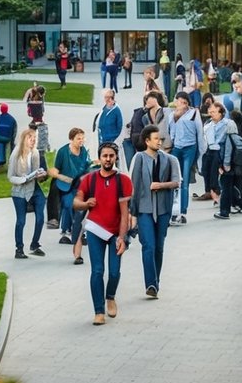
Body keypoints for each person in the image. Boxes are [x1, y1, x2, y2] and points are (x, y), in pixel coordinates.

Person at [73, 141, 132, 324]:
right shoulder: (89, 179)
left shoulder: (123, 181)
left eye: (111, 156)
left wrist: (122, 237)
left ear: (115, 158)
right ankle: (98, 311)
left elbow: (124, 214)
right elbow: (76, 203)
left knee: (114, 272)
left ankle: (111, 296)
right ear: (99, 158)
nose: (108, 159)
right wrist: (86, 204)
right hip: (95, 230)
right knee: (97, 270)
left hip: (115, 231)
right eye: (104, 156)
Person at [129, 124, 179, 298]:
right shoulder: (139, 158)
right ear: (147, 140)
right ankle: (150, 283)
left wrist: (161, 185)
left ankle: (156, 282)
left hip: (163, 209)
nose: (159, 141)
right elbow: (133, 186)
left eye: (161, 139)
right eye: (156, 138)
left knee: (159, 247)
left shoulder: (169, 159)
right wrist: (132, 213)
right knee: (148, 246)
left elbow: (176, 182)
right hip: (144, 209)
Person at [7, 128, 49, 259]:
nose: (33, 141)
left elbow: (37, 173)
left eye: (34, 138)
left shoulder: (36, 153)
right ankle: (19, 248)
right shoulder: (16, 154)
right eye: (30, 138)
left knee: (41, 218)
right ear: (24, 139)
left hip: (34, 188)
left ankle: (35, 244)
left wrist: (42, 175)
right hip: (20, 190)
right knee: (21, 221)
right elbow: (10, 177)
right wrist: (24, 179)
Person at [168, 91, 205, 225]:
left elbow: (199, 132)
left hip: (190, 148)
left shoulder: (194, 113)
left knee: (184, 181)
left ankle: (182, 212)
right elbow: (171, 131)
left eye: (184, 102)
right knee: (174, 179)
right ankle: (172, 210)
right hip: (177, 147)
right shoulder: (172, 115)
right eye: (179, 101)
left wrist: (201, 152)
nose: (181, 104)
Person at [53, 128, 92, 252]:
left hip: (79, 185)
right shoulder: (63, 152)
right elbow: (57, 170)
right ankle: (69, 232)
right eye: (78, 138)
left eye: (82, 138)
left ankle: (74, 232)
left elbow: (86, 167)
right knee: (71, 204)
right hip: (65, 186)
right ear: (71, 139)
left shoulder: (83, 151)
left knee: (81, 206)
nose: (81, 141)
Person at [217, 102, 242, 218]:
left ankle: (225, 210)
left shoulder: (229, 138)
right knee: (237, 186)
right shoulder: (238, 136)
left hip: (230, 165)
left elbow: (227, 152)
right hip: (238, 165)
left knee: (226, 186)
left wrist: (225, 165)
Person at [0, 103, 17, 171]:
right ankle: (1, 160)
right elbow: (14, 130)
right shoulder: (12, 119)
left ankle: (1, 159)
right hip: (8, 138)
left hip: (0, 137)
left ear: (1, 109)